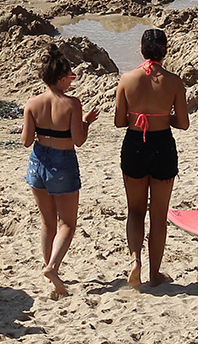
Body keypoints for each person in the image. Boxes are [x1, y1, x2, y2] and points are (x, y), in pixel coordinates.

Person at [23, 43, 99, 298]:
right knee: (67, 222)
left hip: (38, 161)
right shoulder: (72, 104)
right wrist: (86, 122)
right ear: (61, 77)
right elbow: (78, 140)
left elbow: (26, 140)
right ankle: (53, 267)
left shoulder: (32, 103)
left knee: (47, 222)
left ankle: (48, 267)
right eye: (70, 77)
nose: (71, 82)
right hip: (63, 161)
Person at [116, 28, 188, 288]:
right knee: (158, 216)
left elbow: (118, 121)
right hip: (162, 145)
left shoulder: (127, 79)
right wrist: (159, 117)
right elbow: (183, 123)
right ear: (165, 51)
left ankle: (135, 259)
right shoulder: (174, 81)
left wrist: (140, 117)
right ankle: (154, 275)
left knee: (135, 211)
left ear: (141, 50)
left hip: (135, 143)